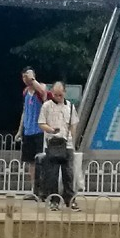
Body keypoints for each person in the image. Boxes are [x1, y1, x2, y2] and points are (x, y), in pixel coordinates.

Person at [37, 80, 80, 211]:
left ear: (64, 93)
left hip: (67, 144)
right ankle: (54, 200)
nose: (58, 97)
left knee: (69, 174)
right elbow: (41, 123)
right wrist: (50, 130)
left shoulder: (70, 107)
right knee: (52, 174)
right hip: (52, 144)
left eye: (60, 95)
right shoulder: (47, 106)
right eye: (55, 95)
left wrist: (74, 142)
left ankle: (70, 200)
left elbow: (74, 125)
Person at [16, 67, 49, 196]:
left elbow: (43, 92)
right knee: (31, 162)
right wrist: (20, 130)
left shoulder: (41, 87)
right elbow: (25, 112)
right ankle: (34, 189)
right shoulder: (25, 92)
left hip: (39, 131)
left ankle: (43, 189)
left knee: (41, 161)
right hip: (28, 132)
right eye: (24, 76)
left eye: (28, 76)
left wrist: (33, 79)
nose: (26, 79)